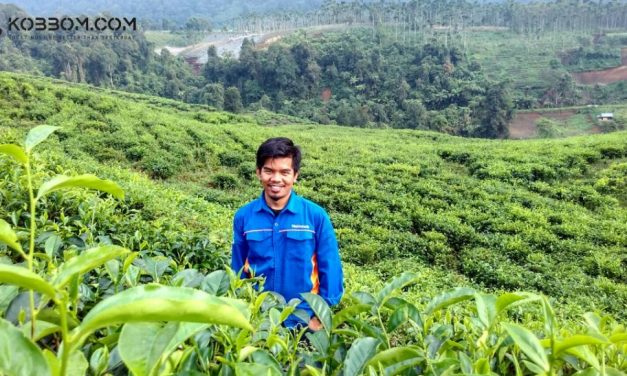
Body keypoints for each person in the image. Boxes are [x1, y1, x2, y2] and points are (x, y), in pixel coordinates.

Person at [231, 137, 343, 330]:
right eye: (268, 171)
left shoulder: (315, 216)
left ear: (295, 175)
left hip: (304, 319)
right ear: (259, 172)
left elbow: (330, 266)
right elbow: (238, 268)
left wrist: (320, 316)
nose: (276, 179)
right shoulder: (244, 217)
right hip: (259, 319)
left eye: (284, 172)